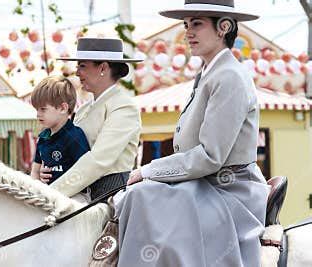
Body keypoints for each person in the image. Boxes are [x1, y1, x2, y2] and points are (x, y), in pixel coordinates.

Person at [114, 1, 271, 266]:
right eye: (186, 25)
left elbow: (210, 156)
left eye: (196, 23)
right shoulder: (210, 72)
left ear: (224, 27)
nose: (188, 32)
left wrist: (147, 170)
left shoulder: (229, 75)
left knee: (140, 196)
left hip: (228, 189)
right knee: (137, 195)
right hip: (203, 184)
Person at [41, 37, 143, 200]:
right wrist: (50, 168)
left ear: (103, 67)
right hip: (78, 194)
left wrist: (52, 193)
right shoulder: (83, 109)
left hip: (111, 197)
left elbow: (99, 160)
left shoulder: (123, 106)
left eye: (82, 66)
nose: (77, 73)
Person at [30, 76, 90, 184]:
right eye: (36, 109)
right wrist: (39, 177)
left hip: (73, 196)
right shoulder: (43, 137)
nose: (38, 114)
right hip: (47, 194)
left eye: (43, 109)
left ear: (63, 108)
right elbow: (35, 172)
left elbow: (86, 171)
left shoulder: (75, 137)